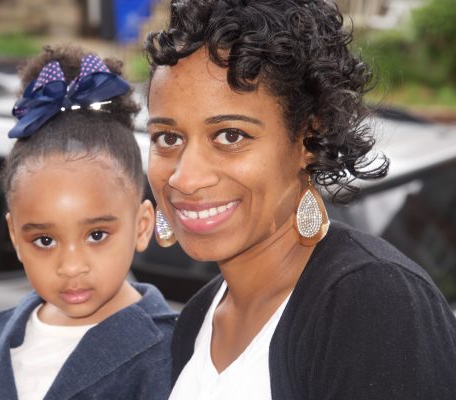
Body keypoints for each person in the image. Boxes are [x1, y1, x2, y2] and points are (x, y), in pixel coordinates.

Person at [143, 1, 456, 399]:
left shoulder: (372, 303)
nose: (185, 177)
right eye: (167, 138)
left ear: (308, 138)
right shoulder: (195, 320)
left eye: (231, 136)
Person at [0, 45, 176, 400]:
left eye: (97, 234)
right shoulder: (13, 329)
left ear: (142, 225)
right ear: (15, 235)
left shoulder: (167, 353)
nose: (71, 266)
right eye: (44, 240)